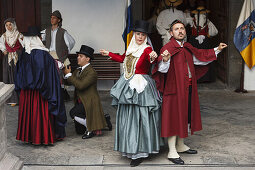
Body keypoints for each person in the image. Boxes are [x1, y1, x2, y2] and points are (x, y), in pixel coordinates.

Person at [152, 20, 227, 165]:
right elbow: (161, 69)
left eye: (182, 28)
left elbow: (199, 57)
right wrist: (165, 60)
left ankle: (180, 145)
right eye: (176, 29)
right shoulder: (167, 48)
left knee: (185, 116)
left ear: (185, 32)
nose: (180, 31)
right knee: (174, 118)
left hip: (188, 87)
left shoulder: (187, 46)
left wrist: (217, 49)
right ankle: (172, 150)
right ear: (171, 33)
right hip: (173, 90)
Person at [100, 20, 162, 167]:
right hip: (127, 85)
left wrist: (154, 56)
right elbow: (123, 58)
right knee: (128, 119)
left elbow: (153, 59)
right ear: (134, 35)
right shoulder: (131, 48)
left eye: (142, 35)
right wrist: (108, 53)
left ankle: (140, 152)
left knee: (140, 119)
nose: (140, 37)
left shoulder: (147, 50)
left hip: (141, 88)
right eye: (137, 34)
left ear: (146, 37)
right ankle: (130, 147)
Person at [15, 26, 67, 145]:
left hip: (27, 94)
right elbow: (48, 74)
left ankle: (29, 136)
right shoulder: (43, 54)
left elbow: (19, 72)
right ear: (37, 38)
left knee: (29, 113)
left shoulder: (24, 54)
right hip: (41, 93)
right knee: (39, 113)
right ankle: (41, 137)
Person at [63, 45, 108, 139]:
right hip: (81, 100)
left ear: (87, 59)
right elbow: (69, 82)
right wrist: (66, 74)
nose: (78, 58)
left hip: (89, 101)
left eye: (80, 56)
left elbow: (81, 85)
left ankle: (90, 128)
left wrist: (69, 75)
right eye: (78, 56)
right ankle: (104, 119)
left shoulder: (92, 72)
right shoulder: (78, 70)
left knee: (73, 113)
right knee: (79, 131)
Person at [41, 10, 75, 101]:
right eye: (51, 18)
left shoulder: (63, 32)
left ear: (59, 20)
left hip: (59, 56)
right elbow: (39, 39)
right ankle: (50, 93)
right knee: (48, 74)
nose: (52, 19)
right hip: (48, 55)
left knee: (60, 73)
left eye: (54, 18)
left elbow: (71, 42)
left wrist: (65, 52)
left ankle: (61, 93)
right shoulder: (46, 31)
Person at [0, 18, 24, 106]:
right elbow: (1, 44)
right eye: (6, 25)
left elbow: (24, 44)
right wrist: (3, 50)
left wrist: (20, 53)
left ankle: (19, 98)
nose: (8, 27)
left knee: (17, 76)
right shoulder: (4, 36)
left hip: (18, 58)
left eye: (10, 24)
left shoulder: (18, 34)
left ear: (13, 25)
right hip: (8, 59)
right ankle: (10, 99)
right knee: (8, 77)